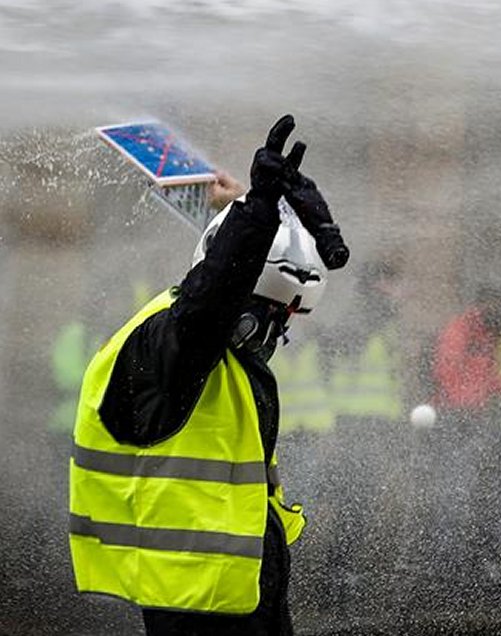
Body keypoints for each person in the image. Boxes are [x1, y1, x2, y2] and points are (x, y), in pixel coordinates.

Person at [68, 115, 349, 635]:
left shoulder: (218, 356)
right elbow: (210, 299)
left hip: (239, 592)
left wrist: (244, 209)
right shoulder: (170, 344)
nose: (272, 336)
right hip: (197, 605)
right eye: (270, 318)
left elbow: (220, 283)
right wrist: (257, 210)